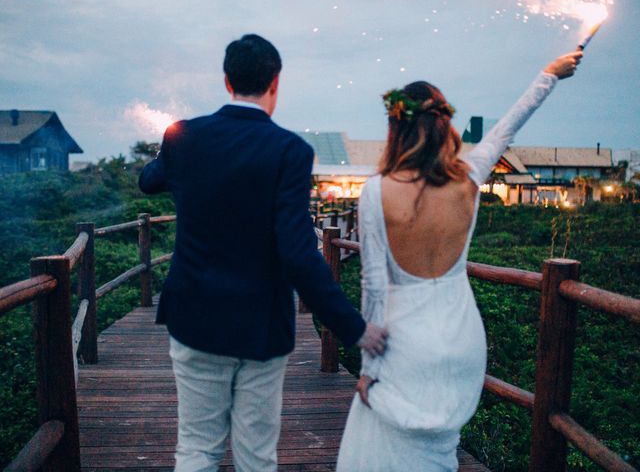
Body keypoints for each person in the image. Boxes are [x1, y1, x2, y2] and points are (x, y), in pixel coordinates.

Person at [138, 34, 387, 472]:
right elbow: (296, 251)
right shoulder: (290, 150)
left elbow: (148, 181)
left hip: (193, 316)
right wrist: (355, 328)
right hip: (261, 325)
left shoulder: (184, 138)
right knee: (256, 456)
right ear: (275, 82)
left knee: (197, 450)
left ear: (227, 81)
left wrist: (172, 144)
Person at [336, 50, 583, 471]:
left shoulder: (377, 191)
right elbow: (508, 127)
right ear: (443, 123)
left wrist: (368, 369)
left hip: (404, 342)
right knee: (441, 451)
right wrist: (549, 74)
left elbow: (374, 288)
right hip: (463, 338)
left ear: (396, 126)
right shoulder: (469, 174)